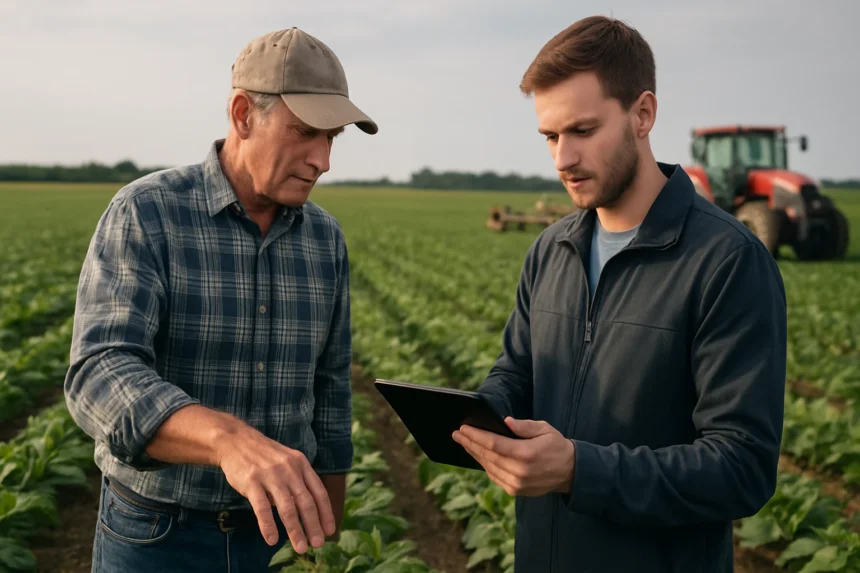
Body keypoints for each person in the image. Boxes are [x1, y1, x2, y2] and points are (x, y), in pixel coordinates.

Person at [452, 15, 786, 573]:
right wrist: (486, 417)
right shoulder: (550, 250)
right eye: (551, 136)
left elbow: (742, 468)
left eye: (582, 131)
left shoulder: (727, 263)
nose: (562, 158)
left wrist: (579, 470)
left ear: (643, 114)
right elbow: (516, 371)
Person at [64, 27, 378, 573]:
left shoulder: (325, 240)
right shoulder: (148, 213)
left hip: (279, 537)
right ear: (242, 115)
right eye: (306, 132)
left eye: (333, 139)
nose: (322, 160)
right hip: (156, 533)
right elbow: (99, 371)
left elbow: (330, 387)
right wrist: (223, 439)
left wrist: (327, 517)